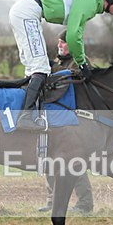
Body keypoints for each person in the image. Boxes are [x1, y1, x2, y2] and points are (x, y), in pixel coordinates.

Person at [8, 0, 113, 131]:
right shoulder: (90, 1)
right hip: (27, 14)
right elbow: (73, 36)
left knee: (34, 69)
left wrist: (82, 63)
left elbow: (77, 35)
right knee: (40, 68)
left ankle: (31, 113)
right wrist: (82, 64)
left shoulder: (91, 1)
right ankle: (25, 118)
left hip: (25, 13)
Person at [38, 30, 94, 213]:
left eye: (63, 42)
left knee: (73, 163)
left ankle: (85, 204)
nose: (59, 45)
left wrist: (52, 68)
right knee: (50, 160)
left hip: (75, 122)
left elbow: (69, 82)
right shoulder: (60, 63)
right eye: (59, 42)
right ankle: (52, 202)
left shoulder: (81, 63)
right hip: (57, 119)